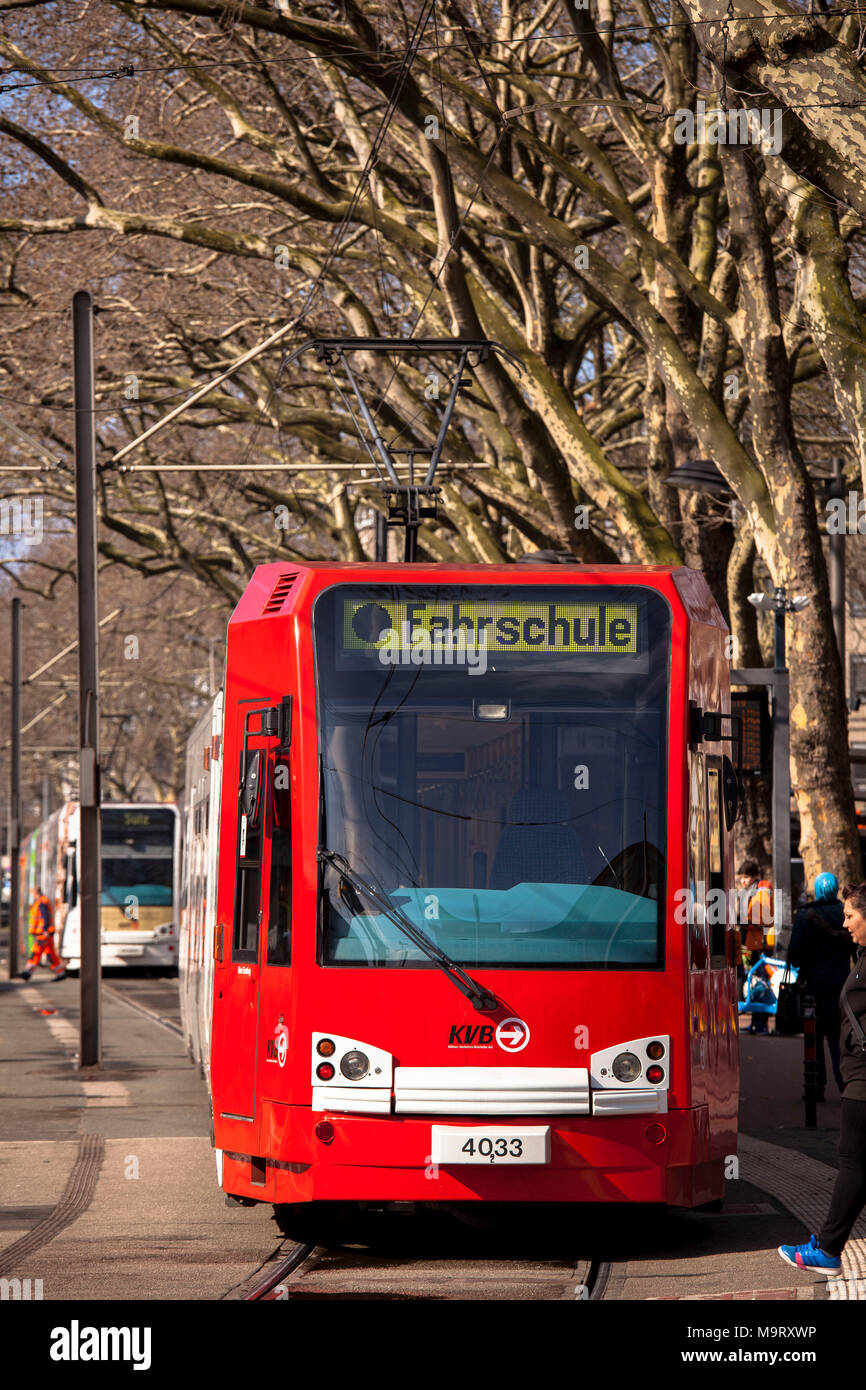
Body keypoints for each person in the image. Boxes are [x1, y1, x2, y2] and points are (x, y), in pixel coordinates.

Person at [779, 882, 866, 1274]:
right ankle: (828, 1246)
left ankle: (829, 1250)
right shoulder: (859, 954)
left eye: (852, 917)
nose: (846, 923)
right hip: (856, 1076)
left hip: (864, 1081)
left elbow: (795, 953)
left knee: (852, 1164)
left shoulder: (810, 921)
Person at [788, 872, 855, 1100]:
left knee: (813, 1039)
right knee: (838, 1038)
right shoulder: (844, 913)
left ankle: (815, 1087)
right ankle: (844, 1082)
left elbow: (794, 954)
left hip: (813, 987)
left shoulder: (806, 915)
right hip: (840, 984)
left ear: (816, 890)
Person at [737, 860, 774, 1033]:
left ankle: (760, 1024)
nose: (742, 881)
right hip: (755, 943)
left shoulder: (761, 892)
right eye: (741, 878)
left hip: (761, 945)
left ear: (754, 877)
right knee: (756, 983)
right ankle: (756, 1022)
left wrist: (743, 922)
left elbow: (762, 919)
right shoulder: (753, 891)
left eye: (745, 878)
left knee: (760, 984)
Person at [17, 886, 66, 982]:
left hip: (43, 934)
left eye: (33, 894)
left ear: (36, 893)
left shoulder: (42, 902)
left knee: (36, 953)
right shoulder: (42, 901)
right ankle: (61, 973)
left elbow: (45, 917)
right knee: (49, 954)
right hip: (45, 933)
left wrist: (45, 930)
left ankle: (27, 973)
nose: (33, 896)